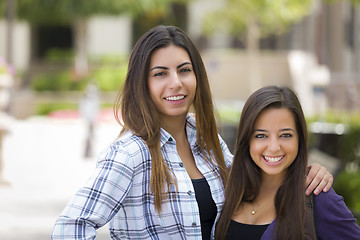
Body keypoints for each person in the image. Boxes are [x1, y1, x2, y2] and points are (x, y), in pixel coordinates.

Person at [51, 26, 333, 240]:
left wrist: (308, 172)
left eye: (184, 70)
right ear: (142, 82)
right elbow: (70, 227)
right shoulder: (130, 154)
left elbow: (257, 178)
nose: (176, 83)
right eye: (160, 73)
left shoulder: (206, 141)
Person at [215, 85, 360, 240]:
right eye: (261, 136)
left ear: (299, 139)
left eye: (285, 135)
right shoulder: (224, 186)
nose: (274, 147)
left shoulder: (316, 195)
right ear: (247, 140)